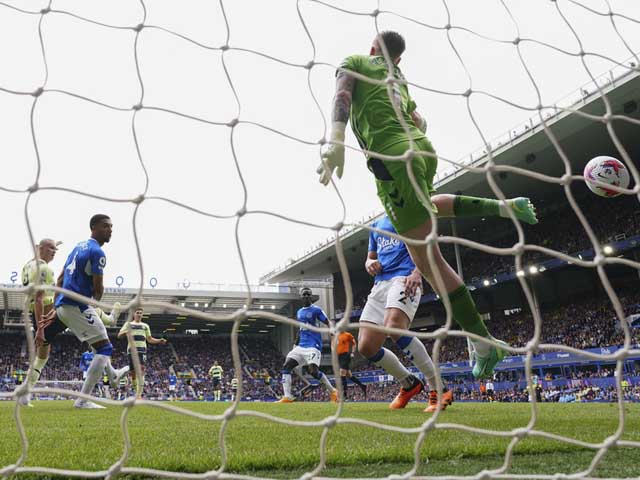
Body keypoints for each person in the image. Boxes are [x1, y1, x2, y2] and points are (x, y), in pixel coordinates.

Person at [317, 31, 538, 380]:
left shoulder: (356, 62)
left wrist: (337, 137)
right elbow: (419, 120)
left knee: (429, 261)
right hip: (422, 150)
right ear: (398, 59)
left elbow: (343, 91)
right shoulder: (399, 78)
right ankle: (501, 207)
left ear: (372, 48)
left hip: (391, 158)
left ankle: (483, 343)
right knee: (427, 214)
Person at [358, 214, 453, 412]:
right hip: (380, 284)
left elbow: (427, 246)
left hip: (405, 277)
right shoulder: (376, 226)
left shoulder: (409, 214)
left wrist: (418, 273)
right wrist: (369, 264)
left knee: (394, 327)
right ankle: (409, 384)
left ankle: (439, 388)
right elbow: (370, 257)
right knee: (366, 346)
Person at [54, 214, 128, 409]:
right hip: (76, 304)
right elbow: (98, 289)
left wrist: (56, 306)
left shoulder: (78, 247)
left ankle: (113, 375)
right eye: (105, 226)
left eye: (111, 227)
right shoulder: (97, 252)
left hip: (65, 305)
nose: (110, 230)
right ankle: (83, 400)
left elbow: (60, 279)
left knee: (99, 342)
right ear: (93, 227)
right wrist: (94, 304)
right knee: (105, 348)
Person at [20, 239, 64, 407]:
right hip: (46, 315)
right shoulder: (44, 269)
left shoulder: (29, 265)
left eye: (56, 249)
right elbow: (39, 299)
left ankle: (26, 391)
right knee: (83, 311)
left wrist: (52, 245)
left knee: (42, 357)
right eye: (51, 248)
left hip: (37, 313)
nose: (54, 251)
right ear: (41, 248)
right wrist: (40, 329)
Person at [277, 287, 338, 403]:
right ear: (301, 297)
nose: (305, 296)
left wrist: (332, 331)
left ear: (310, 296)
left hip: (313, 345)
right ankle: (287, 396)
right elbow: (301, 329)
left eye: (307, 294)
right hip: (301, 346)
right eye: (304, 295)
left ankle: (333, 391)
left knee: (313, 371)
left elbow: (328, 321)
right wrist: (295, 344)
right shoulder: (299, 312)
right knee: (286, 367)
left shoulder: (316, 310)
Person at [118, 307, 167, 399]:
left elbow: (149, 339)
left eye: (140, 313)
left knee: (141, 370)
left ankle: (139, 395)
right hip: (131, 350)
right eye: (137, 312)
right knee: (133, 373)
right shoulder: (128, 324)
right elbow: (119, 335)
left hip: (142, 350)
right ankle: (136, 390)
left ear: (142, 315)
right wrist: (126, 331)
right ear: (134, 314)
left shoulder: (145, 326)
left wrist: (159, 341)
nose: (139, 314)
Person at [336, 330, 367, 400]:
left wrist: (353, 352)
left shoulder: (347, 335)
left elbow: (354, 343)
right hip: (339, 357)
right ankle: (362, 385)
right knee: (349, 375)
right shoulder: (336, 335)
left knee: (342, 373)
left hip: (345, 355)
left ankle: (344, 395)